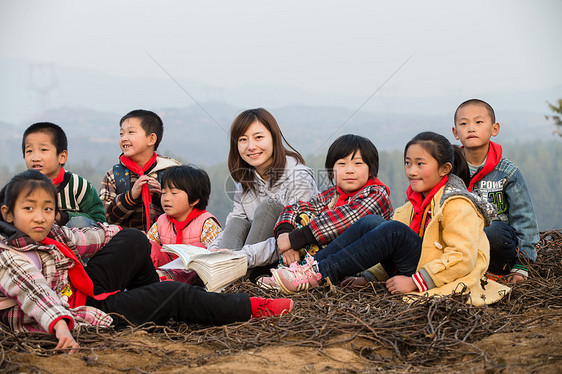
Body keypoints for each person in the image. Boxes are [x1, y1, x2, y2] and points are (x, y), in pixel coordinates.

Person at [0, 170, 294, 354]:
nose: (40, 216)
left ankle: (158, 305)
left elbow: (87, 237)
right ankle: (251, 307)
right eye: (29, 208)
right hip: (71, 311)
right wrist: (61, 327)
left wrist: (127, 235)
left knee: (135, 241)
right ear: (8, 214)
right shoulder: (9, 257)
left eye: (48, 208)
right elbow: (36, 294)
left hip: (81, 288)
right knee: (172, 293)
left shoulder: (50, 233)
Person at [265, 132, 510, 306]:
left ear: (444, 169)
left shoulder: (456, 203)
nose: (411, 171)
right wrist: (369, 278)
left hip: (436, 274)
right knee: (371, 224)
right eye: (408, 163)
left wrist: (416, 282)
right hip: (417, 263)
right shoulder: (413, 202)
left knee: (392, 230)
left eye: (420, 164)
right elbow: (384, 247)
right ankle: (307, 270)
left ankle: (317, 275)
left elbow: (462, 259)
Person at [208, 108, 318, 268]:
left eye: (258, 137)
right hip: (247, 257)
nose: (251, 146)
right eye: (243, 139)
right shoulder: (245, 180)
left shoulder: (298, 177)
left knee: (269, 207)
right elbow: (235, 223)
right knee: (237, 222)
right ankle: (221, 271)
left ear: (274, 138)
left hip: (287, 258)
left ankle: (234, 277)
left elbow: (294, 238)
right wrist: (214, 250)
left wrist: (241, 257)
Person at [452, 99, 540, 283]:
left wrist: (523, 264)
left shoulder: (507, 172)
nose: (471, 128)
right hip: (459, 244)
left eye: (478, 122)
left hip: (497, 245)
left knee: (490, 229)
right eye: (463, 123)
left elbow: (524, 218)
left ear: (494, 129)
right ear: (455, 133)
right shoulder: (448, 168)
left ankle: (494, 271)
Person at [273, 134, 393, 266]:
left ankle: (303, 272)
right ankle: (292, 270)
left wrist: (294, 239)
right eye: (342, 164)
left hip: (361, 263)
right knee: (304, 215)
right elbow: (294, 208)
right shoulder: (333, 194)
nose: (349, 170)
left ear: (371, 169)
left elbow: (346, 219)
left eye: (358, 163)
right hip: (327, 258)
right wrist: (285, 235)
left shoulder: (377, 193)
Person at [99, 109, 180, 232]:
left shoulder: (171, 172)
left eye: (131, 132)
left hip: (165, 242)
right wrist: (130, 197)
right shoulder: (114, 175)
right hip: (126, 244)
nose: (124, 138)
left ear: (151, 139)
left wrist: (164, 195)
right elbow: (105, 218)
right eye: (121, 134)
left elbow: (187, 212)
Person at [21, 122, 106, 227]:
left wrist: (64, 217)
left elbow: (99, 218)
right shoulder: (20, 187)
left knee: (78, 222)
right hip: (36, 236)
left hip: (75, 239)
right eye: (29, 151)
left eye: (43, 150)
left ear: (62, 156)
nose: (35, 158)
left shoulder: (78, 186)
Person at [147, 165, 221, 282]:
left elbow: (215, 258)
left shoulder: (207, 223)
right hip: (164, 271)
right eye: (164, 192)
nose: (166, 198)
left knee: (199, 250)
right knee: (148, 246)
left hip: (193, 277)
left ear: (194, 199)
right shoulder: (161, 221)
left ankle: (169, 278)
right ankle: (146, 277)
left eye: (174, 193)